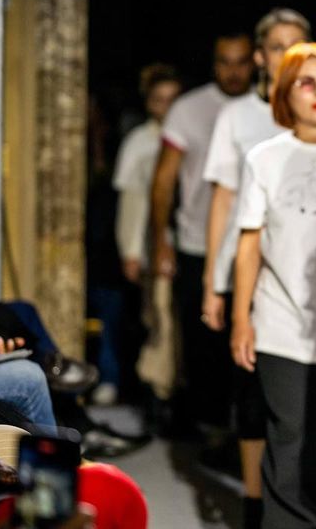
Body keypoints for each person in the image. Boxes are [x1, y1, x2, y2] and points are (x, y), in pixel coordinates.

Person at [230, 43, 316, 528]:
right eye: (306, 83)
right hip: (281, 320)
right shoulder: (265, 158)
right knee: (290, 440)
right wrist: (241, 318)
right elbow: (250, 244)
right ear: (286, 92)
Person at [201, 8, 310, 529]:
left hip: (304, 273)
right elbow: (223, 200)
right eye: (277, 45)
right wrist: (213, 281)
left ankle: (297, 498)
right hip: (248, 265)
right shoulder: (239, 116)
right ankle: (252, 503)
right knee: (251, 394)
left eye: (297, 43)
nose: (287, 54)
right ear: (262, 56)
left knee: (302, 402)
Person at [148, 33, 254, 429]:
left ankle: (239, 431)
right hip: (197, 243)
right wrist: (161, 241)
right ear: (214, 64)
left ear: (254, 62)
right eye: (225, 61)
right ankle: (208, 429)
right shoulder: (189, 109)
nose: (233, 71)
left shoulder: (267, 107)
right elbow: (163, 182)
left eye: (241, 61)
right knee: (202, 345)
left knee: (247, 345)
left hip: (252, 247)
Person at [107, 64, 183, 407]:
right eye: (159, 99)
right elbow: (132, 203)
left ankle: (175, 393)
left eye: (173, 99)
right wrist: (131, 251)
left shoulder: (194, 133)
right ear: (148, 102)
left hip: (190, 242)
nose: (166, 106)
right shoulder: (139, 142)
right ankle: (159, 395)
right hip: (156, 245)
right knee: (160, 319)